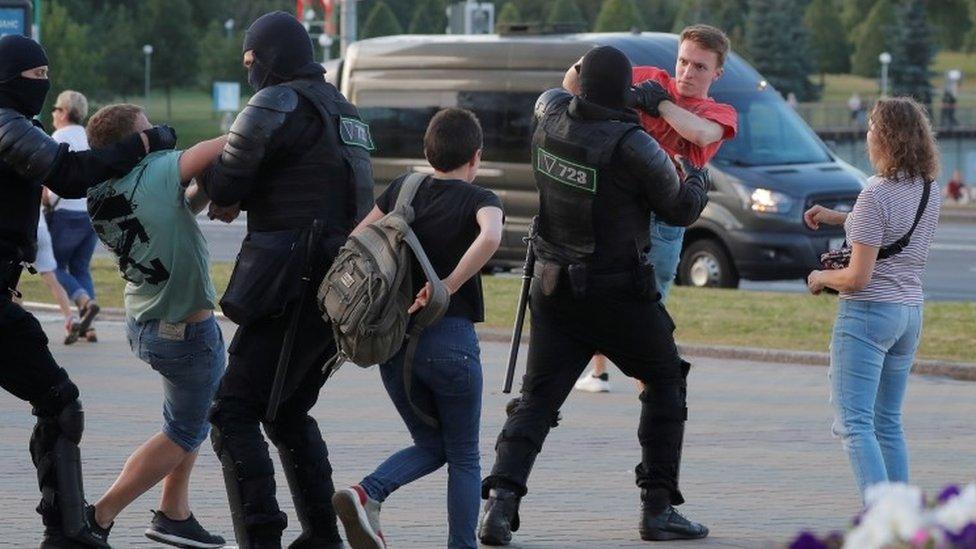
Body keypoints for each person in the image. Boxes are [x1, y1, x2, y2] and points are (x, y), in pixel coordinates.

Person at [478, 45, 711, 546]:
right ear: (624, 90)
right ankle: (658, 507)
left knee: (537, 398)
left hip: (552, 285)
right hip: (617, 292)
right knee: (666, 380)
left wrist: (610, 86)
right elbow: (680, 210)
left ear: (582, 85)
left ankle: (499, 507)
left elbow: (558, 89)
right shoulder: (634, 144)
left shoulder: (550, 114)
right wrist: (699, 177)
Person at [200, 11, 374, 548]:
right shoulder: (344, 110)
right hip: (337, 285)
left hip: (289, 281)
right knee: (287, 410)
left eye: (252, 60)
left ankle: (262, 538)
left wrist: (218, 184)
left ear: (270, 57)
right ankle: (322, 535)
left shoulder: (276, 102)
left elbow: (228, 179)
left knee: (232, 414)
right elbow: (321, 180)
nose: (251, 70)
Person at [0, 34, 176, 547]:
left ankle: (67, 529)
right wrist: (144, 143)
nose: (43, 84)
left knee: (57, 401)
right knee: (60, 402)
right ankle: (67, 533)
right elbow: (70, 174)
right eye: (34, 77)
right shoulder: (5, 124)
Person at [332, 108, 504, 549]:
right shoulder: (480, 199)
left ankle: (367, 492)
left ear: (428, 151)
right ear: (476, 156)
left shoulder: (402, 189)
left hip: (393, 342)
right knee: (464, 454)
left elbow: (358, 240)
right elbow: (490, 238)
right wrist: (447, 285)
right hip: (451, 341)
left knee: (431, 443)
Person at [81, 104, 228, 548]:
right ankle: (99, 517)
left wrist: (201, 193)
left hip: (145, 322)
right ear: (135, 141)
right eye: (150, 130)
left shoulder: (101, 191)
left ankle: (174, 511)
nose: (160, 134)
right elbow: (227, 143)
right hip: (185, 332)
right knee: (183, 430)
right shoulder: (160, 165)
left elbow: (174, 211)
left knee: (188, 420)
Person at [563, 24, 737, 393]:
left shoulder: (718, 111)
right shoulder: (648, 77)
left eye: (700, 67)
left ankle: (653, 387)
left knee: (649, 303)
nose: (688, 72)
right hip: (619, 204)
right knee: (597, 284)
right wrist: (591, 63)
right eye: (684, 62)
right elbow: (571, 87)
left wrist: (658, 104)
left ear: (717, 73)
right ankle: (599, 371)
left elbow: (701, 134)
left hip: (664, 218)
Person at [805, 97, 941, 500]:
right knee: (888, 423)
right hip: (909, 313)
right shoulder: (927, 189)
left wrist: (819, 278)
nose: (866, 135)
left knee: (855, 424)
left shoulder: (875, 193)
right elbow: (889, 225)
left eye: (870, 128)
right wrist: (836, 217)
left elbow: (857, 278)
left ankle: (882, 523)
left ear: (884, 137)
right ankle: (904, 519)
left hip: (868, 316)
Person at [45, 90, 100, 343]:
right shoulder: (90, 137)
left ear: (64, 113)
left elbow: (50, 178)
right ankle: (89, 327)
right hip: (90, 213)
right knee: (80, 266)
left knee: (53, 266)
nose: (52, 114)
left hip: (65, 212)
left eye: (55, 109)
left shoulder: (58, 137)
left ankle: (85, 302)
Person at [31, 210, 78, 341]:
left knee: (12, 284)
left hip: (19, 231)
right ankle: (70, 318)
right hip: (40, 229)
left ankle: (18, 324)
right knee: (52, 280)